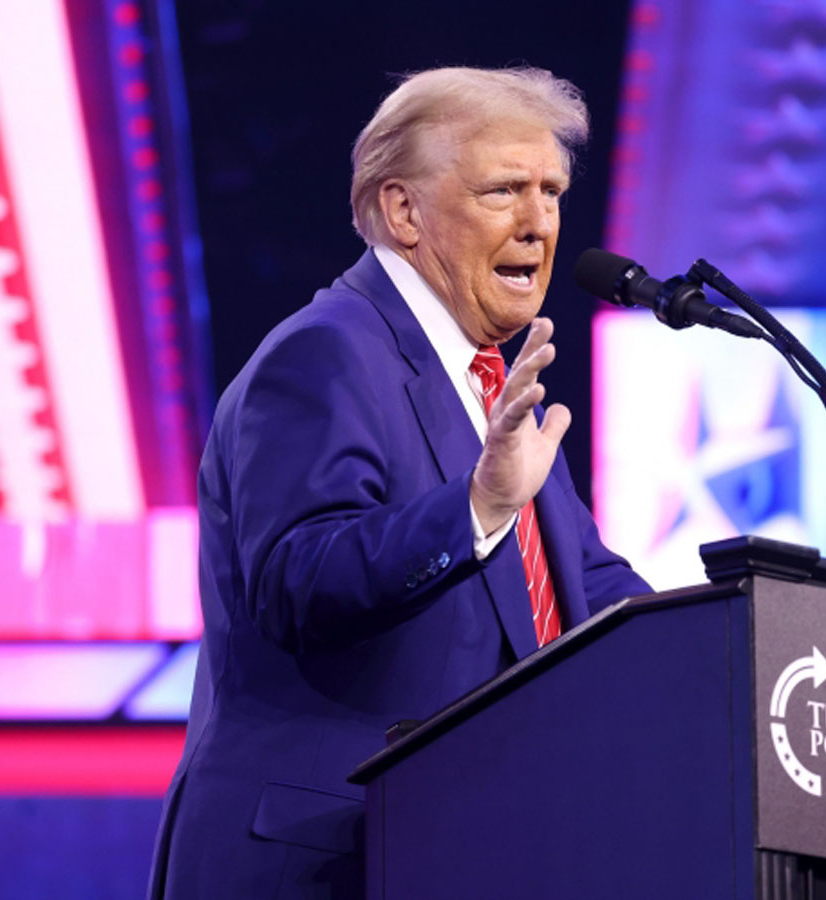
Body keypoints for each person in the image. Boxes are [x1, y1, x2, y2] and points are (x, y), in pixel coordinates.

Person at [147, 66, 651, 899]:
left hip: (458, 854)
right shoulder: (325, 352)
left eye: (552, 192)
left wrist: (744, 633)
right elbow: (298, 578)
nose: (538, 223)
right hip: (320, 862)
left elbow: (592, 594)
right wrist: (476, 506)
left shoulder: (497, 391)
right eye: (503, 190)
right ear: (404, 211)